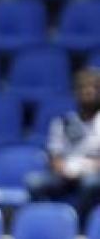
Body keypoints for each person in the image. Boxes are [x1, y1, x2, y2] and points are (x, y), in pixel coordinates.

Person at [28, 68, 100, 224]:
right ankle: (45, 223)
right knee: (34, 182)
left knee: (90, 183)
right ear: (76, 93)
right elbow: (54, 155)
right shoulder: (63, 122)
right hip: (65, 175)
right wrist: (62, 169)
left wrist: (87, 168)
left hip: (93, 174)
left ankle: (81, 226)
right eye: (83, 88)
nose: (87, 92)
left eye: (92, 88)